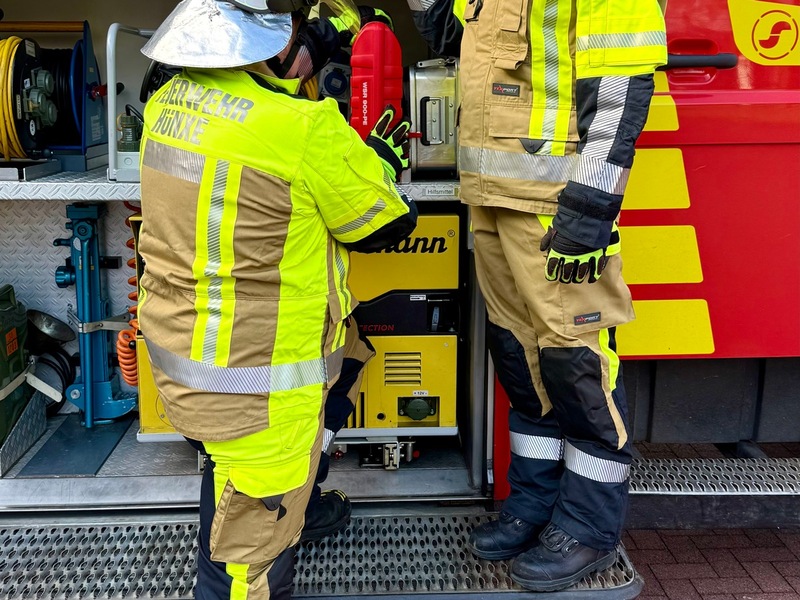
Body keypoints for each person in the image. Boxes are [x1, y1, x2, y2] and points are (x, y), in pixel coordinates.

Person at [136, 1, 417, 598]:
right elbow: (386, 222)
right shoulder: (303, 128)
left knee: (349, 354)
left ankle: (298, 501)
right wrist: (380, 163)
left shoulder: (166, 104)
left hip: (188, 363)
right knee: (247, 573)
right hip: (260, 393)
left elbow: (246, 122)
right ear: (274, 39)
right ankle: (273, 522)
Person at [406, 0, 667, 592]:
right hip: (489, 195)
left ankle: (589, 527)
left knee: (576, 364)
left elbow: (621, 91)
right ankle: (535, 504)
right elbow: (449, 36)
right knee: (520, 363)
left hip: (555, 207)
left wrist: (589, 211)